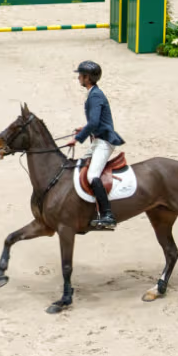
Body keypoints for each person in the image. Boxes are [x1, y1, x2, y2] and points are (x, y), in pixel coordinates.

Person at [72, 60, 124, 230]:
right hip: (98, 138)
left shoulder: (95, 95)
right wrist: (84, 128)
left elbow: (94, 122)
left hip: (104, 141)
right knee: (81, 165)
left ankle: (108, 215)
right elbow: (97, 121)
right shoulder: (93, 93)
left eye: (81, 75)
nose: (78, 77)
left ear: (87, 78)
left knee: (92, 175)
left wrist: (78, 137)